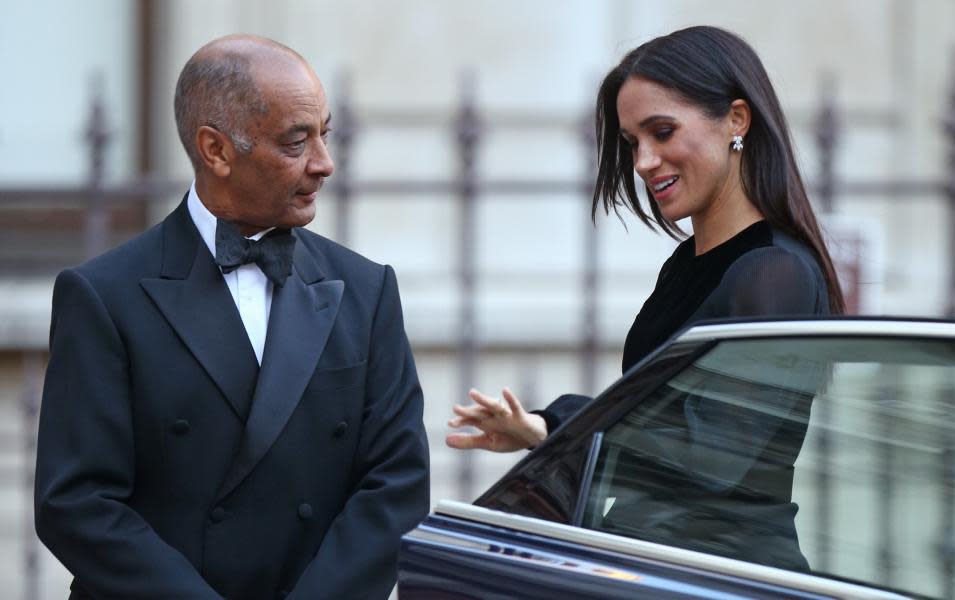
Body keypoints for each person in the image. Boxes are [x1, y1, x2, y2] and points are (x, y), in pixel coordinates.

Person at [34, 35, 429, 600]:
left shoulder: (367, 291)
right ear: (215, 150)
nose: (325, 163)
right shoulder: (102, 296)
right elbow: (76, 504)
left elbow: (397, 485)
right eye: (297, 141)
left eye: (325, 132)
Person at [446, 26, 845, 569]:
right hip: (656, 565)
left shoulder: (773, 271)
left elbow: (710, 459)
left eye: (662, 132)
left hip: (724, 574)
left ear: (736, 120)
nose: (643, 162)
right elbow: (654, 431)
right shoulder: (688, 266)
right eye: (634, 141)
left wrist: (555, 428)